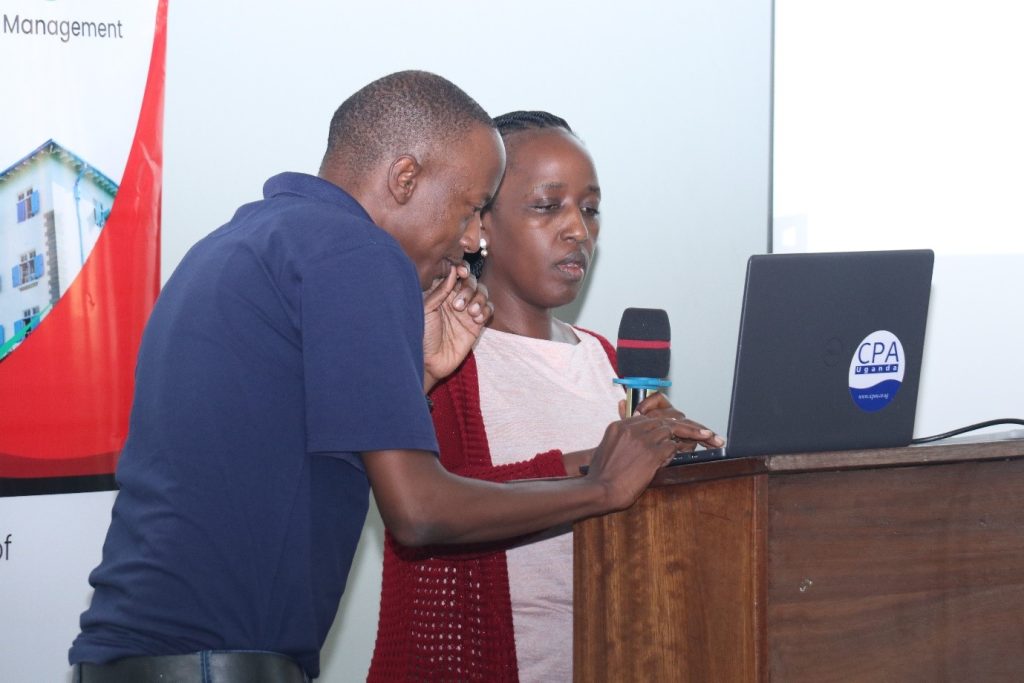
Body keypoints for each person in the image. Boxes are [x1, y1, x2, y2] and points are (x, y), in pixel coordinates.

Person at [67, 74, 704, 683]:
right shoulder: (358, 253)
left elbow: (279, 446)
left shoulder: (240, 243)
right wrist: (601, 487)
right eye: (471, 208)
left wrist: (418, 376)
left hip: (140, 653)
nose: (474, 238)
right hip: (213, 661)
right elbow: (419, 512)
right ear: (405, 178)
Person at [368, 111, 724, 682]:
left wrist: (678, 467)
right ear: (479, 221)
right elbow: (434, 512)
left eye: (589, 209)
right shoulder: (438, 358)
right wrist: (597, 469)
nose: (577, 231)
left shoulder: (609, 359)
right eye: (546, 206)